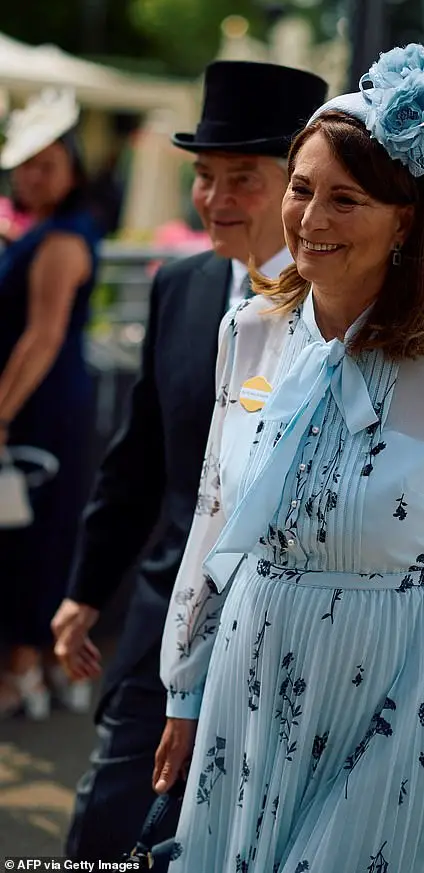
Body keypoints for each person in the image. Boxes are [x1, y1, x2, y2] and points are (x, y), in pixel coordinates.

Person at [154, 45, 424, 872]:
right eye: (303, 190)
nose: (311, 219)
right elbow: (214, 515)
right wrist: (186, 686)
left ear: (405, 218)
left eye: (346, 200)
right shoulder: (248, 335)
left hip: (397, 684)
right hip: (251, 670)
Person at [50, 61, 328, 861]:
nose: (215, 197)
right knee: (101, 831)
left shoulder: (345, 313)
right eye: (205, 176)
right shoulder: (182, 287)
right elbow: (137, 462)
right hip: (161, 627)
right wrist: (83, 588)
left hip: (290, 646)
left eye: (243, 176)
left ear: (297, 185)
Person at [0, 89, 102, 720]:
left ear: (72, 167)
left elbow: (43, 335)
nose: (33, 174)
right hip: (43, 403)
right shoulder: (47, 231)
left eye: (48, 163)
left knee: (30, 538)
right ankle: (36, 672)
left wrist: (1, 412)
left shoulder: (62, 239)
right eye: (25, 163)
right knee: (34, 534)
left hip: (39, 409)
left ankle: (24, 673)